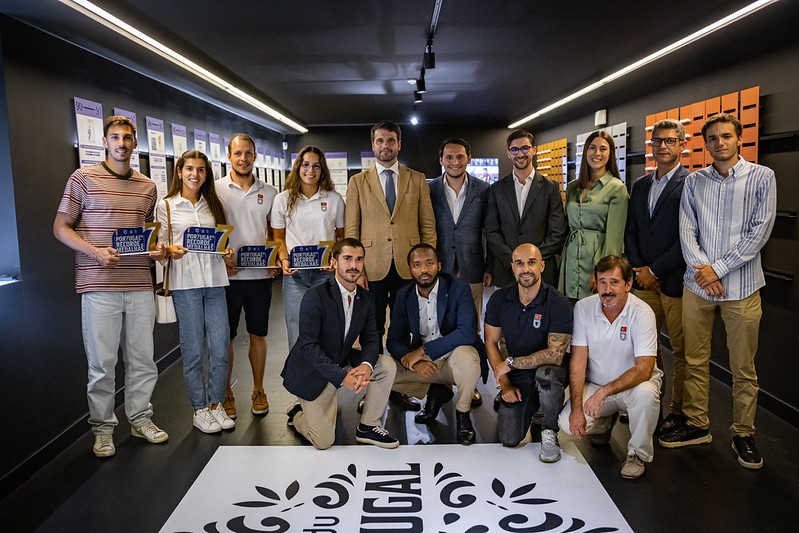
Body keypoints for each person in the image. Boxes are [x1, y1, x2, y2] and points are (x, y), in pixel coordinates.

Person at [659, 113, 777, 470]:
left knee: (743, 367)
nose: (720, 142)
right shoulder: (695, 182)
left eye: (726, 136)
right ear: (705, 143)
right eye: (712, 137)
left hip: (742, 288)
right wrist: (705, 274)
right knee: (694, 360)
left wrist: (719, 270)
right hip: (697, 287)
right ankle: (697, 424)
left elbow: (760, 231)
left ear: (739, 139)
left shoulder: (762, 177)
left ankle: (743, 433)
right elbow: (686, 231)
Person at [54, 115, 169, 458]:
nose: (122, 143)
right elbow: (61, 227)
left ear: (135, 143)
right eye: (115, 137)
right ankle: (103, 429)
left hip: (138, 284)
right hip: (97, 284)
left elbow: (147, 235)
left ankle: (139, 418)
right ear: (104, 141)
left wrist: (158, 249)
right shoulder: (83, 178)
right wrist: (94, 252)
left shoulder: (147, 187)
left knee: (142, 360)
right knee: (102, 364)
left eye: (127, 138)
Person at [345, 119, 436, 410]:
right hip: (371, 269)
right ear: (373, 145)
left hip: (409, 269)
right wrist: (355, 270)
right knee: (371, 332)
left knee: (404, 331)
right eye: (380, 141)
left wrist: (427, 266)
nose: (386, 146)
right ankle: (373, 391)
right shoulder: (358, 182)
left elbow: (428, 226)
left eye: (391, 141)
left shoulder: (417, 178)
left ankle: (399, 387)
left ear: (399, 144)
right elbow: (351, 231)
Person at [280, 238, 399, 450]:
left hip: (342, 358)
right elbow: (308, 346)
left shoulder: (366, 298)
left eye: (359, 259)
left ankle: (368, 426)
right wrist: (342, 377)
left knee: (386, 365)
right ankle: (298, 413)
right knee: (324, 442)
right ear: (334, 262)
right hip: (313, 372)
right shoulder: (315, 296)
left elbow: (372, 337)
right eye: (347, 259)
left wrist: (365, 366)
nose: (353, 265)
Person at [559, 255, 661, 479]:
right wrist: (577, 408)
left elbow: (644, 369)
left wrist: (605, 392)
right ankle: (604, 424)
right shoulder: (584, 308)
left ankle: (637, 454)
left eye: (614, 282)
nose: (607, 289)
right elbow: (578, 361)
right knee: (567, 424)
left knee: (647, 395)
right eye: (602, 281)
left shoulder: (642, 313)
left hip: (634, 386)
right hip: (596, 384)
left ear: (628, 284)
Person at [156, 150, 235, 434]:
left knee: (220, 346)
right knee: (193, 350)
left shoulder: (214, 204)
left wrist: (226, 251)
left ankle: (216, 404)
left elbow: (223, 241)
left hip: (215, 282)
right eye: (190, 169)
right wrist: (169, 251)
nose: (195, 175)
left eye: (201, 170)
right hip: (185, 284)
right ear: (179, 172)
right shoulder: (166, 206)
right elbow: (159, 250)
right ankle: (199, 408)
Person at [624, 119, 688, 434]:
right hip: (643, 283)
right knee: (646, 348)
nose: (663, 146)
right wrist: (638, 269)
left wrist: (655, 270)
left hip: (674, 281)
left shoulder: (691, 183)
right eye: (658, 141)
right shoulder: (640, 185)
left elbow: (688, 236)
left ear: (681, 145)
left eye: (670, 141)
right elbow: (632, 230)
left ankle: (679, 412)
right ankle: (651, 404)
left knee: (681, 350)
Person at [387, 244, 483, 445]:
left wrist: (423, 351)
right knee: (380, 373)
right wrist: (413, 361)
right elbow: (393, 341)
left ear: (439, 265)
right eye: (417, 265)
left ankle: (463, 414)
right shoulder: (403, 295)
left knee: (469, 358)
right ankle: (437, 390)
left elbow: (467, 332)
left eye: (429, 263)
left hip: (451, 356)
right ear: (410, 269)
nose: (424, 270)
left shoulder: (459, 288)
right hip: (424, 364)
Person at [488, 244, 572, 463]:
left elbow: (555, 354)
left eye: (531, 262)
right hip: (517, 376)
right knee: (509, 437)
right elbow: (490, 342)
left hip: (549, 373)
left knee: (547, 375)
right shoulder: (499, 300)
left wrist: (512, 363)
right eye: (520, 263)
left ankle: (549, 429)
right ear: (513, 268)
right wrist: (505, 384)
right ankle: (533, 407)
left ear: (542, 266)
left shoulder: (558, 302)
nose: (526, 269)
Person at [216, 133, 278, 419]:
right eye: (237, 153)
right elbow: (210, 231)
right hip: (226, 278)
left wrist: (275, 256)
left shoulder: (271, 191)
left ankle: (258, 389)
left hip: (259, 276)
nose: (243, 158)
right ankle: (226, 392)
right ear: (228, 156)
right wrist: (222, 258)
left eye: (248, 153)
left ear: (255, 156)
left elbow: (274, 233)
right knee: (225, 338)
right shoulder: (215, 189)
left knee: (258, 334)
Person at [427, 137, 491, 405]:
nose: (455, 162)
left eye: (460, 157)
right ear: (441, 159)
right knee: (436, 326)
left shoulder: (484, 190)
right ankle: (439, 384)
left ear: (469, 158)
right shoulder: (428, 189)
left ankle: (469, 383)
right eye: (449, 157)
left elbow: (489, 230)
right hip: (438, 267)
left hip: (471, 268)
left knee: (470, 328)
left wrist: (489, 266)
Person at [273, 146, 345, 352]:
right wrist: (284, 260)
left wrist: (335, 259)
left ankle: (327, 379)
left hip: (326, 274)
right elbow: (278, 238)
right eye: (305, 165)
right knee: (296, 329)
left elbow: (341, 236)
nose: (310, 170)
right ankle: (299, 380)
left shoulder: (334, 199)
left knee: (327, 328)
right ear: (298, 167)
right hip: (295, 276)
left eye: (316, 166)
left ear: (322, 170)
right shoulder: (283, 199)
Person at [485, 129, 567, 288]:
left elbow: (557, 232)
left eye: (525, 148)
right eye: (514, 149)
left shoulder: (550, 188)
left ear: (534, 150)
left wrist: (532, 262)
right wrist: (514, 262)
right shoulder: (496, 189)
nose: (520, 154)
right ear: (508, 153)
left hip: (541, 273)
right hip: (505, 271)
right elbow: (491, 230)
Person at [559, 130, 629, 301]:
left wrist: (602, 272)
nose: (597, 153)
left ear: (610, 154)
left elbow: (614, 238)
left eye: (603, 149)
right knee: (570, 310)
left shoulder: (617, 189)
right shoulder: (574, 187)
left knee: (593, 309)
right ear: (585, 152)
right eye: (592, 148)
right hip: (571, 258)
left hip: (596, 258)